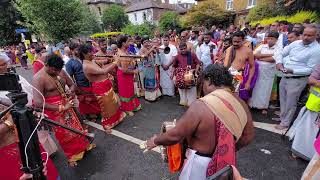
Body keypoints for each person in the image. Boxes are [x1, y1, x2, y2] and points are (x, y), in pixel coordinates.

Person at [145, 64, 254, 179]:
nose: (202, 89)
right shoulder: (241, 104)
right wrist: (225, 151)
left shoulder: (201, 105)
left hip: (198, 164)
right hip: (225, 166)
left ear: (209, 81)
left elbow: (176, 135)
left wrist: (155, 140)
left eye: (202, 83)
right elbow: (248, 137)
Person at [33, 54, 94, 166]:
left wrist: (71, 91)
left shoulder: (59, 71)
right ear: (46, 65)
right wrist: (61, 107)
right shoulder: (38, 78)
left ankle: (83, 147)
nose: (57, 73)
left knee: (76, 127)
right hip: (55, 111)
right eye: (54, 71)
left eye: (58, 70)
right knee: (65, 134)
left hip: (68, 104)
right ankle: (72, 155)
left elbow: (72, 84)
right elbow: (38, 102)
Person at [274, 25, 320, 130]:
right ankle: (283, 118)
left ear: (316, 36)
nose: (306, 37)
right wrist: (279, 63)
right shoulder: (295, 43)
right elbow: (281, 53)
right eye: (304, 34)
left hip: (298, 78)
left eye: (309, 35)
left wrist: (293, 70)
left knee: (291, 102)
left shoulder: (317, 50)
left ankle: (285, 123)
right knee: (283, 99)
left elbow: (311, 69)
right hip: (285, 75)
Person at [0, 104, 59, 180]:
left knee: (49, 174)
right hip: (7, 163)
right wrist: (9, 123)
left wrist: (29, 115)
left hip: (28, 144)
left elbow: (17, 106)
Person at [82, 44, 126, 130]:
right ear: (84, 54)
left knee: (113, 103)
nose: (92, 53)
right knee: (107, 107)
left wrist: (111, 58)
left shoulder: (92, 61)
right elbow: (104, 71)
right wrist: (116, 62)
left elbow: (105, 61)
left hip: (106, 85)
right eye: (90, 52)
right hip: (100, 88)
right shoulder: (86, 65)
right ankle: (108, 124)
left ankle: (117, 119)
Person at [288, 64, 320, 160]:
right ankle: (299, 152)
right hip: (314, 106)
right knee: (307, 130)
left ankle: (314, 156)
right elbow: (311, 80)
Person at [65, 42, 101, 122]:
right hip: (81, 85)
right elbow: (70, 78)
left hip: (91, 82)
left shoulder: (84, 59)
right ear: (71, 51)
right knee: (86, 101)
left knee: (94, 99)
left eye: (79, 49)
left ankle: (96, 113)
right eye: (76, 50)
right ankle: (90, 115)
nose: (78, 51)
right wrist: (76, 88)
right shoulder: (70, 63)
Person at [249, 31, 279, 114]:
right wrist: (268, 55)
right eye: (268, 38)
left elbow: (274, 59)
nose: (269, 40)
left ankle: (263, 107)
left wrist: (260, 57)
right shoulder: (262, 46)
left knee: (266, 89)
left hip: (269, 73)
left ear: (276, 40)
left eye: (272, 39)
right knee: (256, 87)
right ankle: (253, 104)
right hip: (258, 70)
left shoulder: (279, 48)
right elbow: (254, 55)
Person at [223, 31, 256, 100]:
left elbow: (252, 67)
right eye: (234, 41)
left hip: (238, 76)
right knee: (225, 96)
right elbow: (225, 65)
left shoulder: (248, 51)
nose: (235, 43)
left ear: (243, 40)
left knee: (235, 98)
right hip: (227, 75)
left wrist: (248, 82)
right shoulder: (230, 49)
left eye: (238, 42)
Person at [117, 35, 142, 116]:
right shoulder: (121, 54)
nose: (130, 43)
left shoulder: (126, 51)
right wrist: (134, 71)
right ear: (123, 43)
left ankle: (132, 106)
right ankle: (126, 109)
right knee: (125, 92)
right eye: (128, 41)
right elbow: (124, 70)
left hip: (128, 74)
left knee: (130, 91)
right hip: (124, 75)